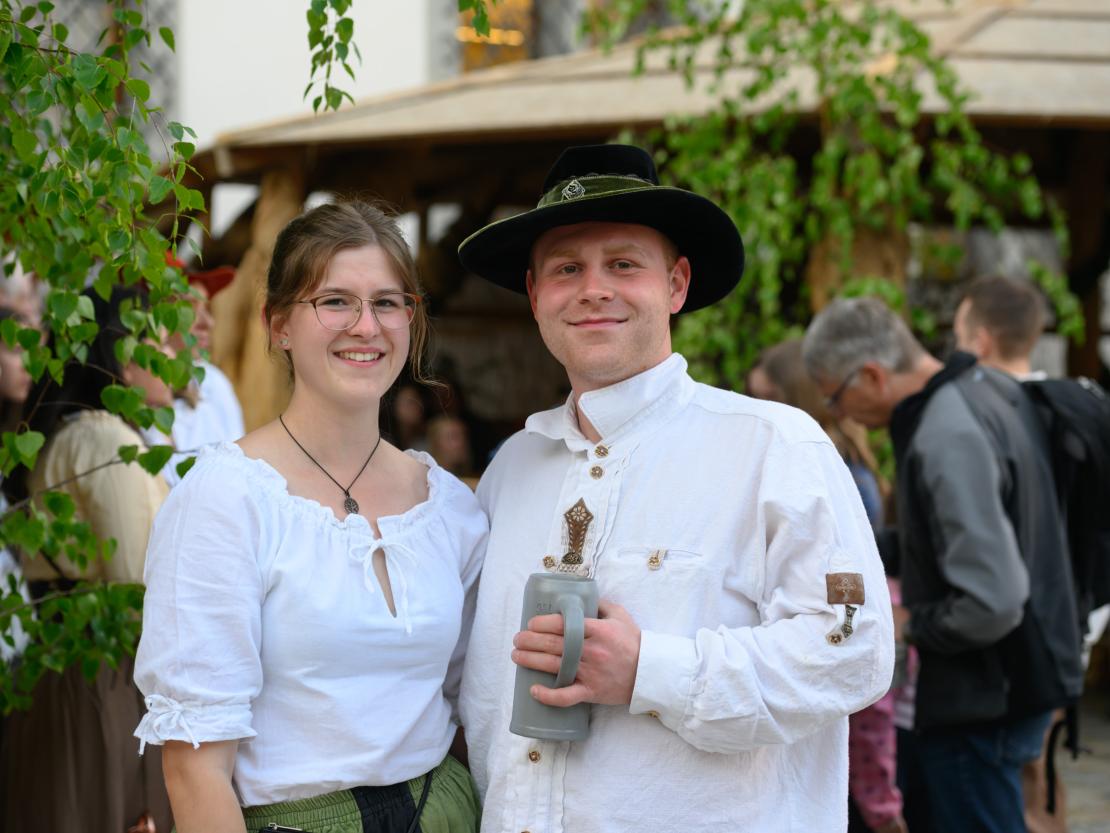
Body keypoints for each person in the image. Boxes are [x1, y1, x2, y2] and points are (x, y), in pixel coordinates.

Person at [456, 143, 894, 833]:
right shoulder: (512, 468)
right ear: (537, 295)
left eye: (623, 264)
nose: (593, 288)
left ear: (676, 285)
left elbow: (854, 649)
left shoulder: (775, 447)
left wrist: (650, 670)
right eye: (567, 268)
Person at [133, 201, 487, 833]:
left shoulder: (447, 506)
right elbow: (194, 771)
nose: (366, 326)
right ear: (279, 326)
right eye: (334, 301)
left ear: (411, 321)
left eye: (387, 302)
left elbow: (472, 706)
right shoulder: (227, 498)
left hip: (446, 811)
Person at [802, 296, 1083, 833]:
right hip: (1025, 677)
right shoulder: (987, 389)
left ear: (872, 375)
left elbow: (992, 603)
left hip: (984, 701)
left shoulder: (945, 433)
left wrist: (909, 624)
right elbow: (948, 541)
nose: (840, 415)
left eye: (836, 398)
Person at [0, 286, 174, 833]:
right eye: (160, 341)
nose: (174, 355)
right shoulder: (105, 440)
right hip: (105, 680)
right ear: (124, 355)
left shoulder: (79, 434)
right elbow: (138, 588)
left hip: (63, 672)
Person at [954, 274, 1109, 833]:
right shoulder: (1078, 403)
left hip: (1022, 632)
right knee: (1039, 768)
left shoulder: (992, 413)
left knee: (1022, 776)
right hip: (1077, 618)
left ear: (981, 339)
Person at [750, 339, 906, 833]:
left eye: (766, 396)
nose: (754, 407)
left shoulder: (830, 470)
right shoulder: (837, 462)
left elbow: (845, 601)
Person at [143, 257, 245, 486]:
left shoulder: (213, 383)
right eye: (189, 308)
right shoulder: (129, 400)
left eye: (206, 308)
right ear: (150, 314)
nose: (208, 322)